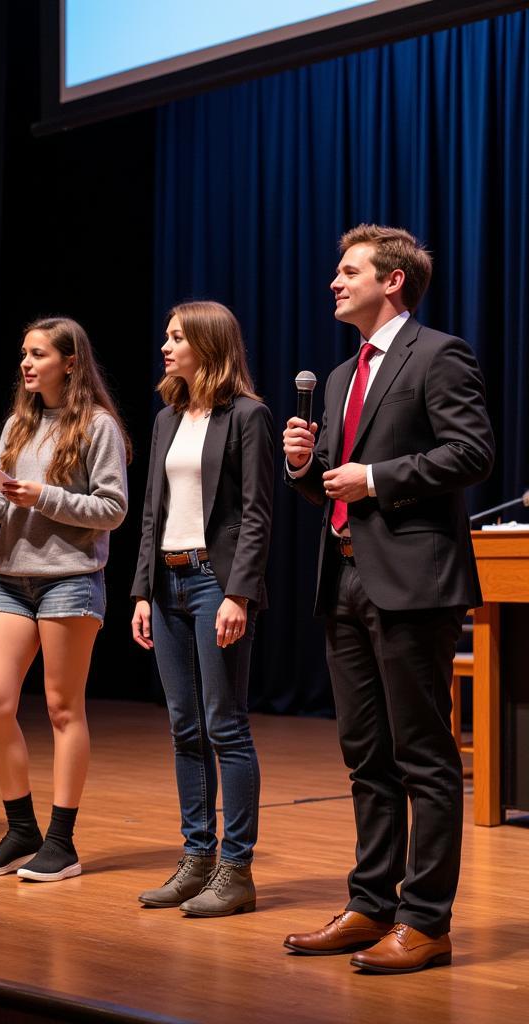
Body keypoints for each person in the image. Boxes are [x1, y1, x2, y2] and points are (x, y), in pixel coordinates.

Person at [282, 225, 494, 972]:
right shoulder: (341, 377)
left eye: (349, 271)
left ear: (392, 280)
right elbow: (329, 489)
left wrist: (372, 478)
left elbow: (472, 452)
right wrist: (307, 468)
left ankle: (427, 921)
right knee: (365, 757)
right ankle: (370, 905)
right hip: (344, 576)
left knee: (424, 756)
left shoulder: (438, 355)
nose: (335, 282)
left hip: (413, 581)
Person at [0, 316, 130, 882]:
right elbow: (3, 510)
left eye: (38, 355)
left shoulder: (97, 426)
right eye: (24, 354)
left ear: (70, 362)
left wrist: (44, 496)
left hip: (70, 578)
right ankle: (21, 829)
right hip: (13, 576)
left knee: (62, 709)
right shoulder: (16, 427)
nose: (27, 364)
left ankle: (62, 842)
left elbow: (113, 509)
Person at [131, 302, 274, 916]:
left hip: (216, 580)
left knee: (225, 726)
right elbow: (149, 514)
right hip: (167, 583)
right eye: (166, 336)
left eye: (177, 337)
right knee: (183, 727)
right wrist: (140, 591)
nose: (166, 347)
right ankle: (197, 859)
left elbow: (257, 514)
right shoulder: (167, 418)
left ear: (208, 345)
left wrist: (239, 593)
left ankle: (236, 870)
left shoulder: (248, 415)